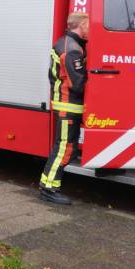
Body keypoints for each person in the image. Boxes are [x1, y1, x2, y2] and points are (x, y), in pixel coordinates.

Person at [39, 12, 89, 205]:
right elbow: (78, 83)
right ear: (81, 25)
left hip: (68, 104)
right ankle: (49, 189)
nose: (90, 29)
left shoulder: (70, 44)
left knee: (67, 147)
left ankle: (48, 184)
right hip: (68, 105)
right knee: (64, 148)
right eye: (88, 25)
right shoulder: (72, 49)